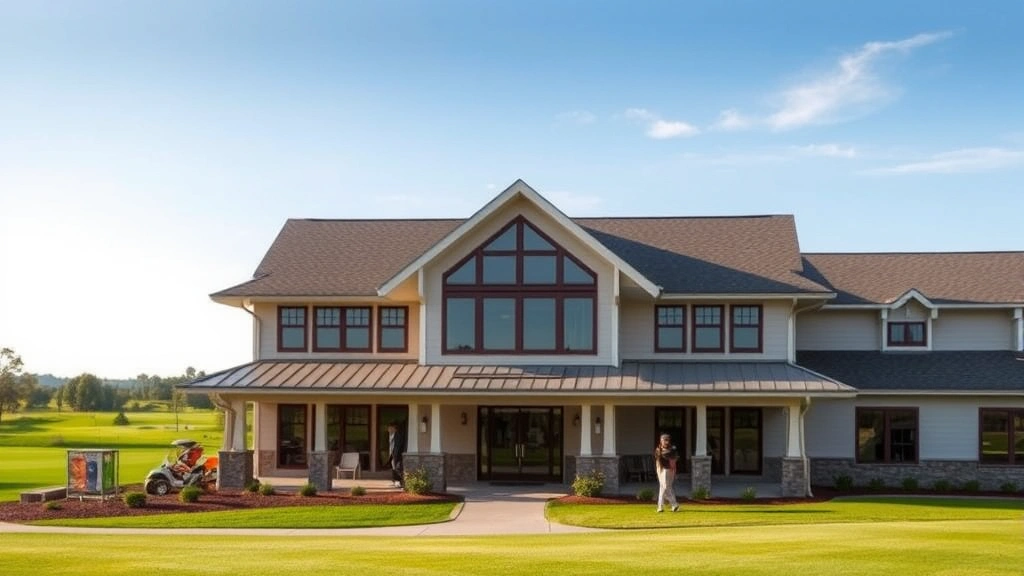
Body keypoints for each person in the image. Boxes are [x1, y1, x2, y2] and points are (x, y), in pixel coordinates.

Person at [654, 433, 679, 512]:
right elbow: (657, 461)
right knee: (663, 487)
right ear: (661, 441)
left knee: (666, 488)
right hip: (661, 470)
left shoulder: (672, 449)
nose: (665, 442)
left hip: (669, 470)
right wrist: (658, 470)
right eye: (664, 440)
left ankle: (663, 506)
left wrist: (675, 471)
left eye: (667, 440)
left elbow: (674, 460)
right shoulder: (658, 449)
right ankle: (670, 505)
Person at [386, 421, 405, 489]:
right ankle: (395, 481)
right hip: (392, 454)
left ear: (394, 428)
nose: (388, 429)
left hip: (397, 454)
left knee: (398, 468)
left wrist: (396, 454)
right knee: (393, 468)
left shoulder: (398, 435)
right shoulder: (391, 435)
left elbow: (398, 445)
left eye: (389, 428)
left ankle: (399, 482)